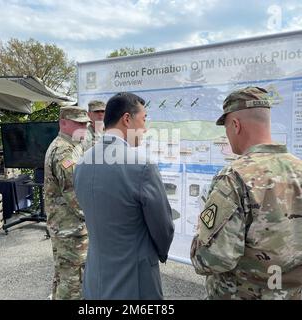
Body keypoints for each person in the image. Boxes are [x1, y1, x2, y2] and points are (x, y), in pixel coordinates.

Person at [190, 86, 302, 300]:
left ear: (235, 125)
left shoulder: (233, 178)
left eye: (226, 129)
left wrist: (200, 234)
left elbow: (212, 259)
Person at [73, 92, 175, 300]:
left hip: (95, 279)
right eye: (144, 119)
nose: (145, 129)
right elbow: (163, 228)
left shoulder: (82, 162)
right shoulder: (142, 167)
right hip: (134, 281)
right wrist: (160, 253)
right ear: (127, 119)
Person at [44, 103, 90, 300]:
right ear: (63, 123)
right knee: (73, 283)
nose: (84, 128)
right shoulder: (64, 151)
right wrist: (93, 218)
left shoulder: (70, 146)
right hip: (70, 228)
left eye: (85, 124)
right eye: (78, 124)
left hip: (65, 226)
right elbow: (74, 194)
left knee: (63, 274)